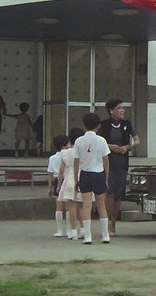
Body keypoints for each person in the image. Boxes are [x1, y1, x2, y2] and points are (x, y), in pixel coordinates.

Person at [100, 99, 140, 237]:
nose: (122, 110)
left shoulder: (127, 124)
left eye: (123, 108)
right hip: (108, 160)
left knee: (118, 194)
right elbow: (99, 141)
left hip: (122, 161)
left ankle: (113, 225)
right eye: (119, 108)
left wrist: (128, 147)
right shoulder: (104, 125)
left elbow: (137, 140)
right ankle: (105, 224)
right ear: (111, 110)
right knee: (109, 192)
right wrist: (111, 147)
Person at [73, 113, 111, 245]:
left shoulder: (78, 141)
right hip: (99, 173)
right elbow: (106, 160)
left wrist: (76, 179)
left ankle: (88, 236)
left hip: (85, 174)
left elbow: (76, 162)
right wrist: (106, 177)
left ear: (84, 125)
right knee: (101, 205)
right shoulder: (102, 140)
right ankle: (105, 235)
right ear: (98, 126)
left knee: (86, 206)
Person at [57, 129, 84, 240]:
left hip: (69, 179)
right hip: (82, 177)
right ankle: (83, 229)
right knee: (82, 206)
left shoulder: (66, 153)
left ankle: (73, 231)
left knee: (71, 207)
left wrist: (59, 185)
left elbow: (61, 171)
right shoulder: (83, 152)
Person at [47, 135, 67, 237]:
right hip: (67, 179)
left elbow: (50, 174)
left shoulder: (52, 158)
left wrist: (50, 188)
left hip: (56, 181)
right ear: (64, 146)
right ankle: (70, 230)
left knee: (59, 206)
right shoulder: (68, 156)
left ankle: (59, 230)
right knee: (69, 206)